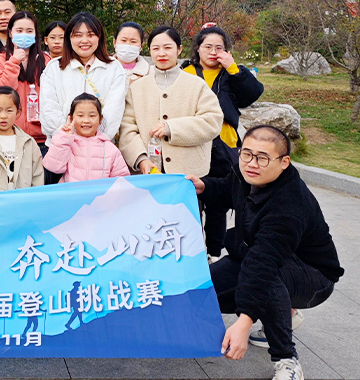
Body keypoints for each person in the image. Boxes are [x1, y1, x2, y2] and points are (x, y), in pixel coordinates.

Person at [187, 125, 343, 380]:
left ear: (284, 162)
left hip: (314, 276)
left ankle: (286, 360)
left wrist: (244, 322)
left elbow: (264, 264)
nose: (252, 163)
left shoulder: (289, 205)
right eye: (247, 153)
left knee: (267, 279)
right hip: (258, 257)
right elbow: (227, 188)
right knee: (202, 288)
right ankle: (283, 313)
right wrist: (204, 186)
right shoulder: (245, 172)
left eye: (262, 158)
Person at [182, 25, 264, 258]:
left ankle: (214, 252)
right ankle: (191, 253)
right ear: (198, 48)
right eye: (207, 46)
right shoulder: (185, 72)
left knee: (218, 202)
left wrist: (233, 68)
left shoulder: (231, 73)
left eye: (219, 48)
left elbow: (252, 94)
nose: (213, 52)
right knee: (190, 200)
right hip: (192, 142)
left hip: (224, 144)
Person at [118, 25, 223, 175]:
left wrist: (171, 128)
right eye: (156, 48)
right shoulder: (136, 88)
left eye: (168, 48)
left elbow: (212, 121)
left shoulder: (197, 85)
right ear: (149, 51)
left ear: (179, 49)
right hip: (149, 172)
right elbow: (127, 128)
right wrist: (141, 159)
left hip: (189, 172)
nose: (162, 53)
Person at [40, 12, 126, 146]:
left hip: (99, 148)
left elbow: (113, 112)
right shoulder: (54, 67)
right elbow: (49, 110)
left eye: (90, 35)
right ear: (69, 38)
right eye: (78, 35)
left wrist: (93, 140)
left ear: (99, 37)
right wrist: (67, 137)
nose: (84, 40)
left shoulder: (114, 68)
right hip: (61, 147)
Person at [0, 11, 50, 146]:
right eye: (19, 30)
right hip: (11, 136)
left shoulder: (46, 60)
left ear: (35, 34)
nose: (24, 34)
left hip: (42, 138)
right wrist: (14, 61)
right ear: (11, 33)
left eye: (29, 31)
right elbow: (3, 92)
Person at [43, 93, 129, 182]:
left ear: (100, 119)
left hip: (100, 191)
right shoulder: (67, 144)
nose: (86, 121)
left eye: (92, 116)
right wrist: (64, 138)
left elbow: (121, 180)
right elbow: (53, 167)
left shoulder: (109, 148)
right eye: (80, 115)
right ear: (71, 118)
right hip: (71, 191)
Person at [112, 21, 152, 87]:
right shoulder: (102, 68)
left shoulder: (150, 73)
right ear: (114, 42)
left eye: (133, 41)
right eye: (123, 40)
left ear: (141, 46)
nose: (128, 44)